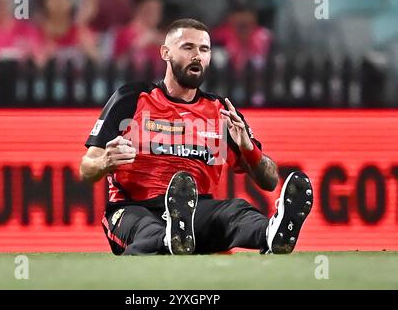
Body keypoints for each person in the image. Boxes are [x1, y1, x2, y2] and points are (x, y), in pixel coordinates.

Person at [80, 18, 313, 255]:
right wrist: (104, 162)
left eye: (204, 49)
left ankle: (272, 233)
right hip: (132, 208)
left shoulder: (219, 111)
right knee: (147, 228)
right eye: (188, 47)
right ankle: (170, 239)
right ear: (166, 53)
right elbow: (86, 168)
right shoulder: (132, 98)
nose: (197, 56)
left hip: (192, 213)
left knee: (233, 211)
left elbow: (270, 181)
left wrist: (248, 149)